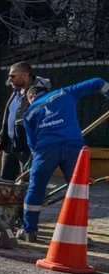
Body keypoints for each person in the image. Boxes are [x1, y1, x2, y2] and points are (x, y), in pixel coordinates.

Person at [19, 77, 109, 242]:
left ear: (31, 97)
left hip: (45, 150)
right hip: (74, 147)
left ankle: (29, 230)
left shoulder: (29, 113)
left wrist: (36, 157)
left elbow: (31, 143)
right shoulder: (65, 92)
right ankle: (78, 235)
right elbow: (97, 82)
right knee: (78, 190)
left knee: (35, 189)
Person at [0, 63, 50, 182]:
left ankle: (28, 200)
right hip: (10, 142)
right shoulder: (16, 92)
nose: (9, 79)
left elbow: (41, 119)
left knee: (27, 180)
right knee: (6, 179)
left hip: (26, 144)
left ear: (25, 75)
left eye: (12, 76)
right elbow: (10, 115)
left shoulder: (38, 93)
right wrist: (2, 135)